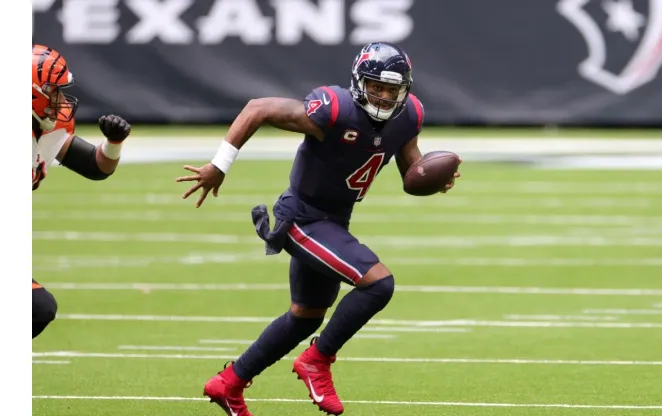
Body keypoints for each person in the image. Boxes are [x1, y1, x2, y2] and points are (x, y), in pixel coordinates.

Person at [176, 42, 461, 416]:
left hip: (334, 219)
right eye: (377, 87)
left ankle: (229, 383)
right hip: (304, 218)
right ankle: (317, 360)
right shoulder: (334, 109)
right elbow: (258, 108)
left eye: (393, 90)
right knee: (379, 284)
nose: (384, 96)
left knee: (305, 317)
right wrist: (219, 165)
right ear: (360, 82)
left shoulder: (407, 117)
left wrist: (432, 178)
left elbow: (411, 173)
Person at [32, 44, 132, 339]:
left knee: (37, 308)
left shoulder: (47, 127)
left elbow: (95, 166)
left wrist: (113, 143)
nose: (60, 99)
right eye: (54, 91)